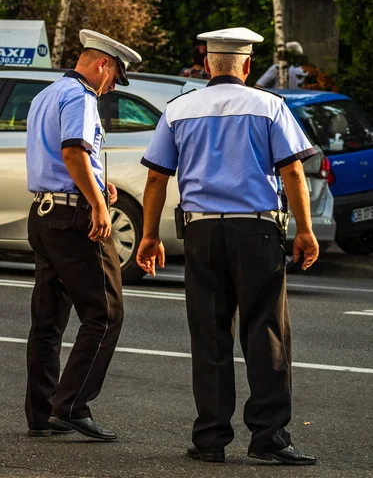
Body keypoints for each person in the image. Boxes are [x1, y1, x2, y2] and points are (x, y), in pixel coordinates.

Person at [136, 27, 319, 465]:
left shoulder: (178, 109)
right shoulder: (269, 106)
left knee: (209, 334)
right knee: (265, 332)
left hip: (201, 235)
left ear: (205, 64)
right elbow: (292, 173)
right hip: (255, 232)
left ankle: (210, 439)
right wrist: (306, 232)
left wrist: (147, 236)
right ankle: (268, 438)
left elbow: (156, 178)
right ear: (248, 65)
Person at [25, 29, 141, 439]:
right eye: (113, 78)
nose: (111, 88)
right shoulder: (81, 96)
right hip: (73, 219)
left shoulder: (46, 94)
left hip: (43, 214)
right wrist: (97, 204)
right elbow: (73, 151)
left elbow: (62, 158)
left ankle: (41, 414)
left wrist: (97, 184)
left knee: (48, 320)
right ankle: (71, 406)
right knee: (105, 313)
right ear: (102, 64)